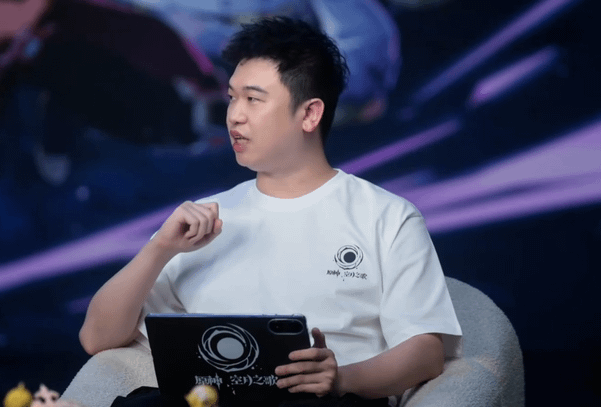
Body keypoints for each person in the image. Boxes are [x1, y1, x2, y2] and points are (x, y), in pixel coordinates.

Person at [79, 16, 462, 406]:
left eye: (253, 99)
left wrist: (341, 378)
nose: (234, 115)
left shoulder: (386, 216)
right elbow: (96, 338)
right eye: (232, 97)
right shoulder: (202, 220)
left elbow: (426, 351)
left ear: (310, 114)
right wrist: (159, 248)